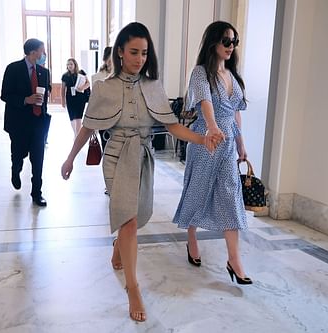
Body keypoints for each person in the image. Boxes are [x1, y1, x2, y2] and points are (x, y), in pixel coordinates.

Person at [61, 22, 222, 322]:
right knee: (130, 219)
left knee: (136, 218)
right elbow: (88, 127)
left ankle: (118, 249)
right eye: (133, 52)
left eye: (144, 53)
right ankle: (133, 288)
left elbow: (172, 126)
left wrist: (202, 139)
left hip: (145, 156)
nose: (139, 58)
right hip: (116, 157)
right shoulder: (103, 87)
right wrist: (70, 158)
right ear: (120, 52)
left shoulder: (154, 86)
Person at [173, 21, 253, 285]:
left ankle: (234, 260)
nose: (231, 46)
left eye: (234, 41)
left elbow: (236, 111)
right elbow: (206, 102)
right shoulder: (200, 73)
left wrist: (241, 143)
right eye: (226, 41)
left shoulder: (232, 75)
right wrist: (212, 127)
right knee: (198, 190)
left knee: (231, 197)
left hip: (228, 144)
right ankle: (191, 237)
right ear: (214, 43)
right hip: (206, 141)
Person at [1, 38, 51, 207]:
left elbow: (45, 94)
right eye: (42, 51)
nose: (44, 55)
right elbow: (5, 95)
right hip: (18, 123)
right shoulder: (13, 69)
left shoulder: (44, 72)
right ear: (32, 52)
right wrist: (25, 99)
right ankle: (16, 170)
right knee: (18, 154)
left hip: (38, 122)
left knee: (38, 159)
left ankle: (37, 192)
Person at [61, 58, 91, 136]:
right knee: (72, 117)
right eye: (68, 64)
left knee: (78, 117)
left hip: (80, 98)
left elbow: (88, 83)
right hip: (70, 98)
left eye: (71, 64)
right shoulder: (65, 76)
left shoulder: (81, 73)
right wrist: (63, 101)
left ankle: (77, 136)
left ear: (75, 64)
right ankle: (76, 134)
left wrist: (82, 88)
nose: (69, 66)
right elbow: (63, 89)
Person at [91, 46, 113, 152]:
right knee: (106, 150)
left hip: (121, 122)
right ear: (105, 60)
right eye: (109, 59)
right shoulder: (97, 77)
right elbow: (95, 101)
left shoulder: (123, 76)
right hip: (104, 119)